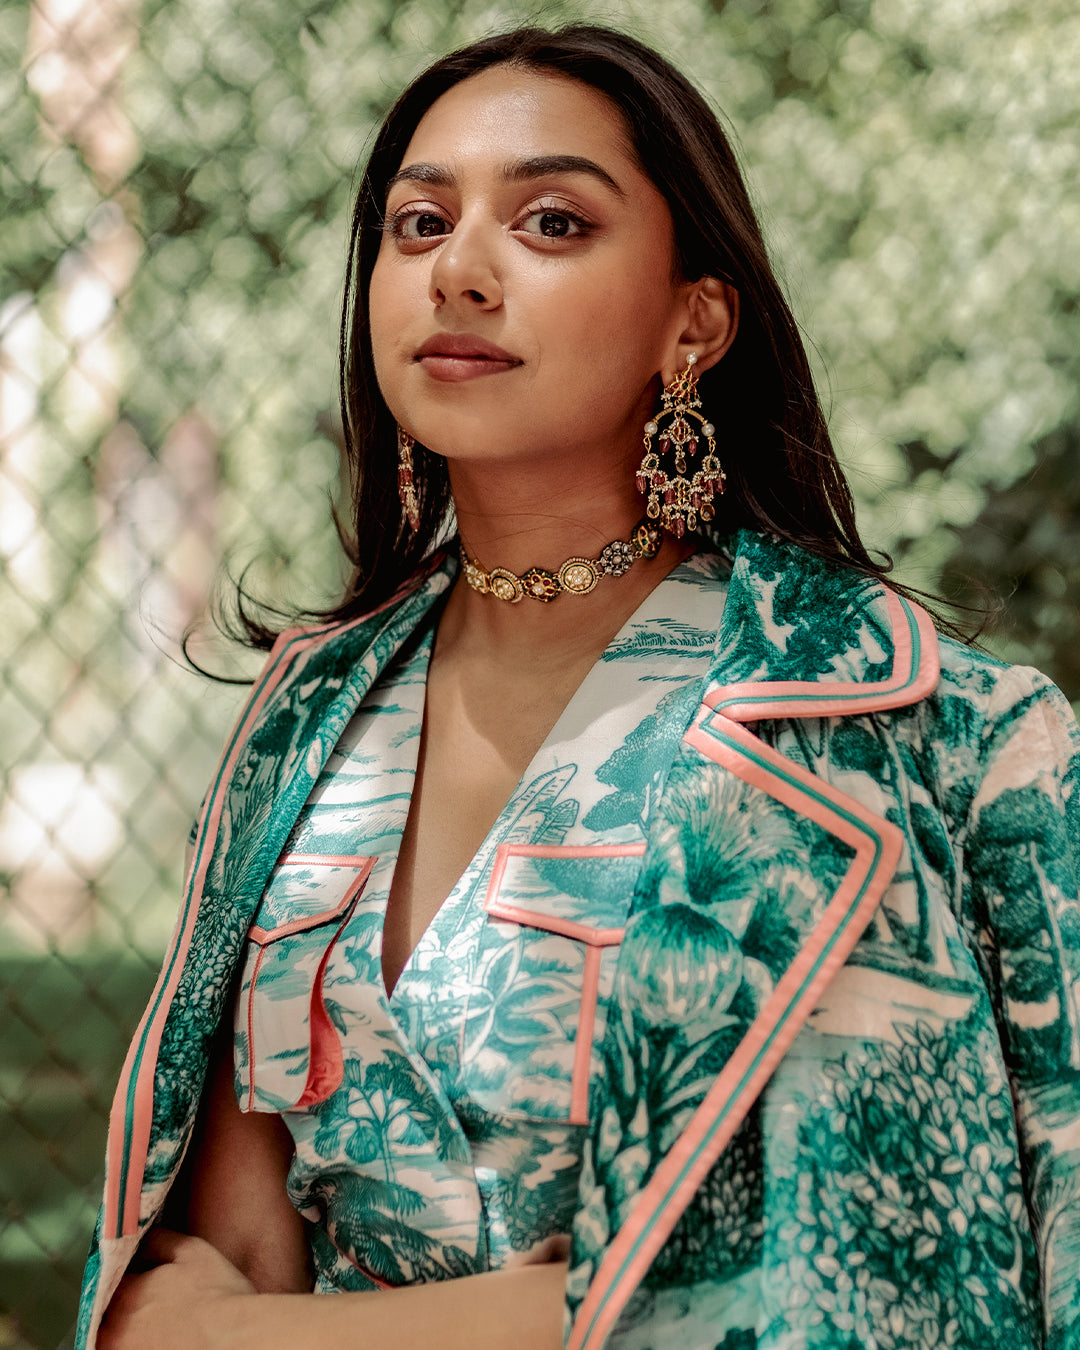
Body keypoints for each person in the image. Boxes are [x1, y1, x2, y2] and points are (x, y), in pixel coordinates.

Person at [80, 22, 1080, 1350]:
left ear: (695, 318)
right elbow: (212, 1243)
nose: (460, 272)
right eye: (418, 223)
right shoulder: (311, 717)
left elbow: (795, 1293)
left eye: (551, 221)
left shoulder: (930, 740)